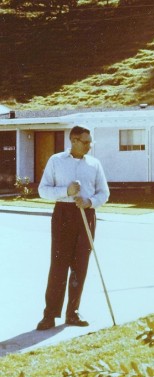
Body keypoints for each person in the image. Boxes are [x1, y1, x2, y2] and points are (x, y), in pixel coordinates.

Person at [36, 125, 110, 331]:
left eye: (90, 141)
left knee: (80, 266)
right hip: (63, 215)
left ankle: (73, 313)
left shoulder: (94, 164)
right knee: (58, 265)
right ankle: (49, 315)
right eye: (86, 142)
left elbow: (104, 193)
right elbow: (43, 190)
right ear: (74, 140)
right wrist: (65, 191)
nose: (89, 146)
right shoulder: (56, 161)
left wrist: (90, 201)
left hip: (86, 214)